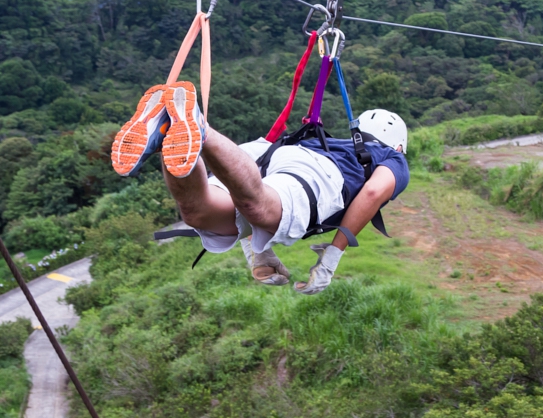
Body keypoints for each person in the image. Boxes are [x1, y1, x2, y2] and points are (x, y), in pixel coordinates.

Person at [109, 81, 409, 294]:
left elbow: (249, 201)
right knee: (259, 207)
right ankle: (200, 128)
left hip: (267, 153)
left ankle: (167, 131)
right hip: (314, 172)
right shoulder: (393, 157)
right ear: (398, 144)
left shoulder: (336, 142)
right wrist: (330, 259)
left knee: (198, 211)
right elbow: (372, 193)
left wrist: (259, 252)